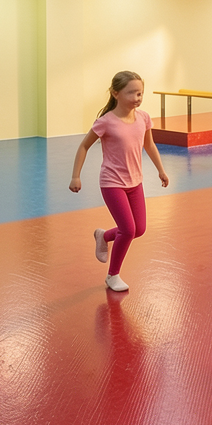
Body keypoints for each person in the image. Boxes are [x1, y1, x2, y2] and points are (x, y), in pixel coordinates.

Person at [69, 71, 170, 292]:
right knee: (128, 229)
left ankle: (103, 236)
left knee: (139, 229)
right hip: (112, 182)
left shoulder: (143, 118)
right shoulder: (106, 122)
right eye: (131, 93)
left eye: (140, 93)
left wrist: (161, 170)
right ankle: (112, 275)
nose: (137, 98)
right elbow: (84, 146)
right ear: (116, 93)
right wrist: (76, 175)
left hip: (135, 182)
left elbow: (149, 145)